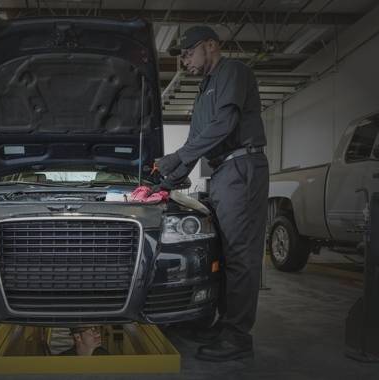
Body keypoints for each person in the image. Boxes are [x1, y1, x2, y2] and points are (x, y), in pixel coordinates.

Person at [155, 26, 269, 361]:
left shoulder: (231, 71)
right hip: (221, 173)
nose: (184, 62)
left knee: (240, 258)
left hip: (241, 169)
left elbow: (224, 125)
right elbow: (199, 141)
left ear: (211, 45)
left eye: (188, 53)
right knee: (224, 252)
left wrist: (176, 159)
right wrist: (169, 179)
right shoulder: (205, 88)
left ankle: (237, 336)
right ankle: (224, 323)